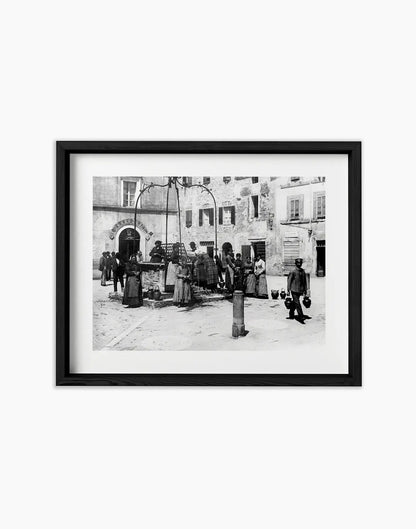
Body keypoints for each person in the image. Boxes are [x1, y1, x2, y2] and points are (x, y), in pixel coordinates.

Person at [287, 258, 309, 324]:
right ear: (295, 263)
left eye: (300, 263)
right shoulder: (293, 271)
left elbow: (304, 281)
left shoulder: (302, 271)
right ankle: (301, 316)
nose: (299, 264)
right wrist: (288, 290)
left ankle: (291, 313)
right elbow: (289, 281)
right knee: (297, 303)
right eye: (298, 263)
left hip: (300, 290)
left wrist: (305, 290)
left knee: (294, 302)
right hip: (293, 289)